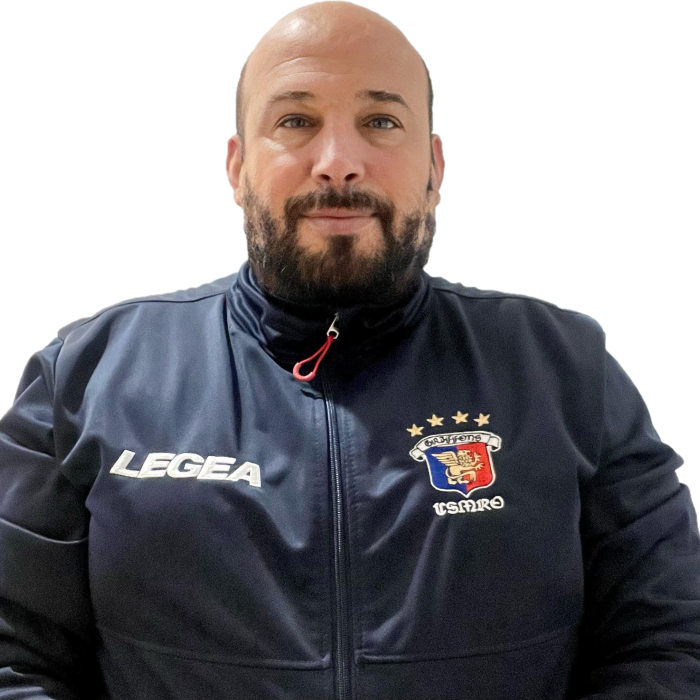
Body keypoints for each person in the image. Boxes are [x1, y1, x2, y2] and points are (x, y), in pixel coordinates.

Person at [1, 1, 698, 698]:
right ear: (236, 166)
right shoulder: (87, 378)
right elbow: (14, 654)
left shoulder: (566, 371)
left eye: (381, 122)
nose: (338, 164)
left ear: (435, 166)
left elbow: (669, 639)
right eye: (295, 121)